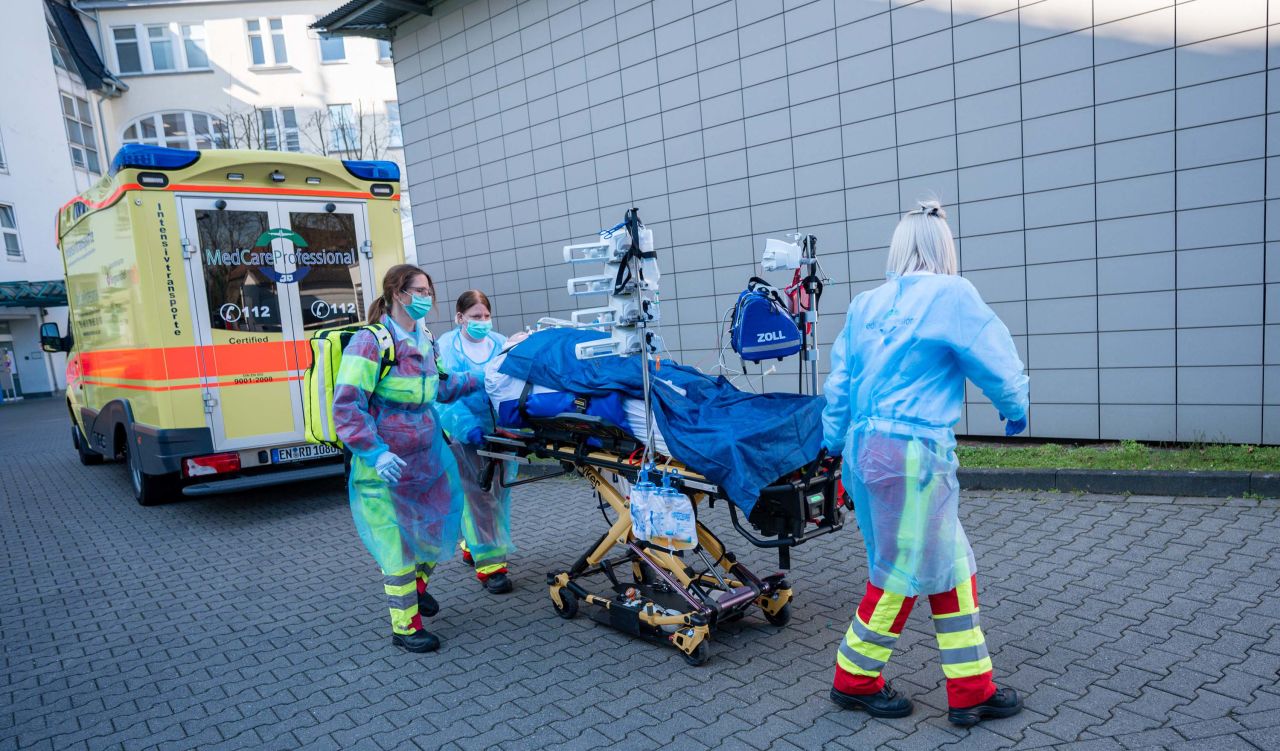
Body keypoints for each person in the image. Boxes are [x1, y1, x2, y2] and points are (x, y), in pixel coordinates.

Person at [821, 201, 1030, 727]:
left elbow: (841, 383)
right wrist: (1016, 407)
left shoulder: (865, 305)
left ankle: (971, 687)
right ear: (943, 248)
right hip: (914, 456)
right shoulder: (952, 294)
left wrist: (832, 439)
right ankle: (854, 678)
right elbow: (994, 357)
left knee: (951, 564)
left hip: (867, 453)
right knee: (900, 571)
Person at [334, 264, 479, 653]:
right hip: (383, 465)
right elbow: (347, 406)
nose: (427, 298)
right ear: (398, 294)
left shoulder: (424, 337)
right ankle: (405, 626)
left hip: (426, 458)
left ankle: (416, 590)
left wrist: (486, 376)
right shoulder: (371, 342)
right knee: (397, 543)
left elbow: (441, 386)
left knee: (439, 523)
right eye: (420, 291)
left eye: (429, 290)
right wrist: (375, 453)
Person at [436, 290, 517, 594]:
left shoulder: (499, 342)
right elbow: (443, 397)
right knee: (479, 497)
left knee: (499, 493)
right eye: (475, 317)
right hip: (466, 434)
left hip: (502, 432)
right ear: (459, 318)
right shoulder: (446, 347)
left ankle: (474, 545)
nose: (482, 322)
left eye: (485, 316)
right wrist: (467, 426)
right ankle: (491, 566)